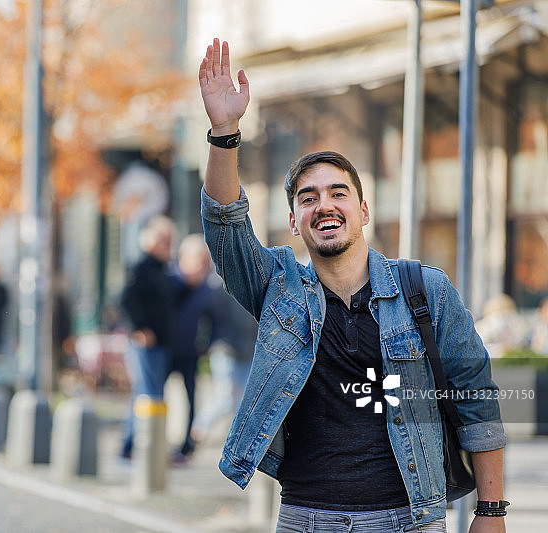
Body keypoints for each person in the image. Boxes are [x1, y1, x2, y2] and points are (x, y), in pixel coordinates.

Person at [198, 38, 506, 532]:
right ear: (295, 222)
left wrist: (491, 513)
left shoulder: (425, 291)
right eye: (308, 198)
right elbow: (224, 224)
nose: (325, 204)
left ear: (363, 212)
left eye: (339, 193)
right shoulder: (278, 288)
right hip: (306, 520)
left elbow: (477, 399)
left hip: (409, 520)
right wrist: (224, 132)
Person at [119, 215, 177, 459]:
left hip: (162, 344)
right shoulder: (142, 268)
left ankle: (139, 445)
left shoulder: (164, 271)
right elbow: (125, 301)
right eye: (164, 241)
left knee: (150, 394)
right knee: (147, 394)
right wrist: (139, 328)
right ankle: (136, 446)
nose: (169, 247)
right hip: (146, 345)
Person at [168, 233, 221, 461]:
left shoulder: (207, 291)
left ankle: (187, 446)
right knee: (154, 396)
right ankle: (145, 443)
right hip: (166, 350)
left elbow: (215, 322)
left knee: (191, 398)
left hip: (190, 352)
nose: (200, 266)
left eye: (203, 261)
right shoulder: (170, 281)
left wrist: (207, 346)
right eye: (195, 259)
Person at [191, 280, 257, 445]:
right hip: (226, 350)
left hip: (248, 352)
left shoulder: (254, 286)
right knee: (227, 398)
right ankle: (198, 429)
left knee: (245, 402)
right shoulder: (220, 289)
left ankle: (238, 442)